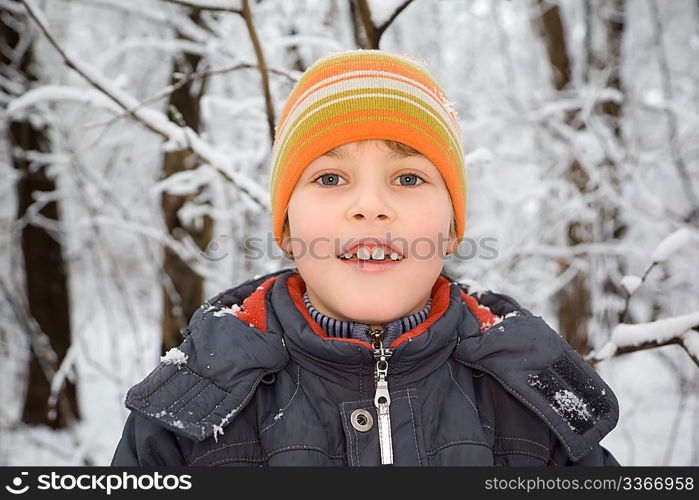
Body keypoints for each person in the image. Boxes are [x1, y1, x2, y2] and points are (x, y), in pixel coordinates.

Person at [111, 49, 620, 466]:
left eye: (408, 178)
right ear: (286, 229)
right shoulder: (195, 400)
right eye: (330, 179)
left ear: (450, 229)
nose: (371, 207)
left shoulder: (531, 391)